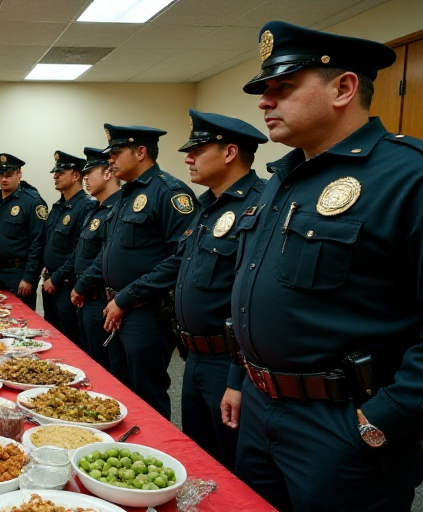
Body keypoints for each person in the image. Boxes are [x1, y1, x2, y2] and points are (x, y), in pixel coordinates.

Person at [231, 21, 423, 511]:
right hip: (260, 406)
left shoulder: (407, 176)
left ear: (343, 87)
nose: (263, 102)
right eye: (263, 90)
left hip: (340, 422)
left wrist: (384, 417)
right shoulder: (283, 177)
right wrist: (242, 380)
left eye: (283, 87)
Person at [77, 124, 197, 420]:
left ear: (141, 152)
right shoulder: (126, 195)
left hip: (146, 311)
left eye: (116, 153)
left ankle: (154, 454)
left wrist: (127, 297)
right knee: (120, 389)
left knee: (146, 392)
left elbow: (181, 257)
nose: (111, 161)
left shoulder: (169, 192)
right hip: (117, 308)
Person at [173, 109, 268, 472]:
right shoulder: (207, 205)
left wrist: (236, 377)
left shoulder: (258, 205)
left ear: (229, 153)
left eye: (197, 150)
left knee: (231, 464)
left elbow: (250, 304)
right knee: (198, 458)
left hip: (227, 361)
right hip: (194, 356)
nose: (188, 158)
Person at [70, 147, 125, 377]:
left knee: (105, 370)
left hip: (101, 298)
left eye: (90, 172)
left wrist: (81, 284)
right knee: (89, 364)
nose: (85, 178)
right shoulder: (95, 209)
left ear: (108, 174)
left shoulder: (117, 208)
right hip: (86, 300)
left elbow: (105, 256)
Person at [40, 151, 96, 344]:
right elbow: (48, 243)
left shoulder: (87, 206)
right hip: (50, 284)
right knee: (52, 340)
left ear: (76, 175)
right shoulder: (58, 206)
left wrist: (56, 277)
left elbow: (80, 250)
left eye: (61, 172)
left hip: (67, 286)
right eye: (55, 172)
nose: (55, 175)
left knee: (71, 342)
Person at [0, 153, 47, 310]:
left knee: (20, 320)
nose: (4, 179)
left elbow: (38, 243)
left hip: (17, 274)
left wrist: (28, 277)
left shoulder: (32, 202)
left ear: (19, 174)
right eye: (0, 174)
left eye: (9, 175)